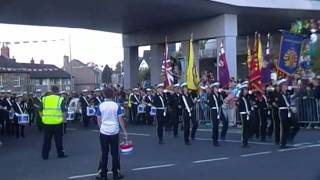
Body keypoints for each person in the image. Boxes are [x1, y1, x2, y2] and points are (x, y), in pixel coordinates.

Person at [96, 87, 128, 180]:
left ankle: (103, 174)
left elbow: (98, 119)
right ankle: (116, 173)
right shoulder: (116, 105)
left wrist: (101, 128)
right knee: (115, 153)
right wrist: (125, 131)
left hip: (104, 132)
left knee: (104, 153)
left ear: (104, 95)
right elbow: (120, 119)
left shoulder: (100, 105)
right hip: (114, 131)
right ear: (113, 95)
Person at [41, 86, 68, 160]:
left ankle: (45, 155)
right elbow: (64, 111)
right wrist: (64, 120)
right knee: (58, 139)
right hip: (57, 123)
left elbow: (40, 109)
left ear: (51, 91)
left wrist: (43, 118)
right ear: (58, 91)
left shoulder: (44, 99)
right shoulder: (60, 99)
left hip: (47, 123)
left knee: (46, 140)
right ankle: (60, 154)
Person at [208, 82, 223, 146]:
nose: (217, 88)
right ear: (213, 88)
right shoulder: (211, 95)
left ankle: (215, 137)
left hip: (218, 110)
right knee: (215, 126)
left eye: (217, 87)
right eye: (215, 87)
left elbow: (221, 102)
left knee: (217, 125)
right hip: (214, 111)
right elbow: (210, 103)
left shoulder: (219, 95)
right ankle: (215, 140)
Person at [238, 83, 251, 148]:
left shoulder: (247, 97)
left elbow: (249, 105)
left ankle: (246, 141)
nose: (246, 91)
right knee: (244, 128)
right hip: (243, 114)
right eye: (245, 90)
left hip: (247, 114)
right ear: (242, 90)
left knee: (247, 128)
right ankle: (243, 141)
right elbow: (239, 107)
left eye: (247, 90)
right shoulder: (241, 98)